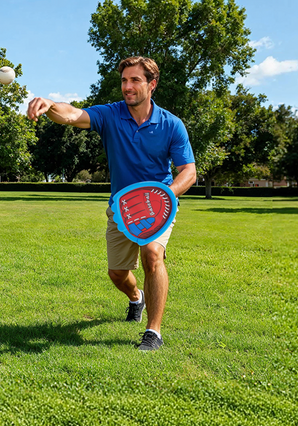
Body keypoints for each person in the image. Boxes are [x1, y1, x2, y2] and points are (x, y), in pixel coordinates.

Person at [27, 56, 197, 352]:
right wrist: (50, 105)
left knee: (152, 255)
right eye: (124, 80)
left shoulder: (171, 125)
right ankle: (136, 298)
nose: (127, 87)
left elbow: (189, 172)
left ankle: (153, 333)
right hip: (122, 209)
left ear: (152, 84)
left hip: (159, 206)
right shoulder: (110, 115)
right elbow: (72, 115)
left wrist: (165, 197)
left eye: (135, 80)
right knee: (117, 274)